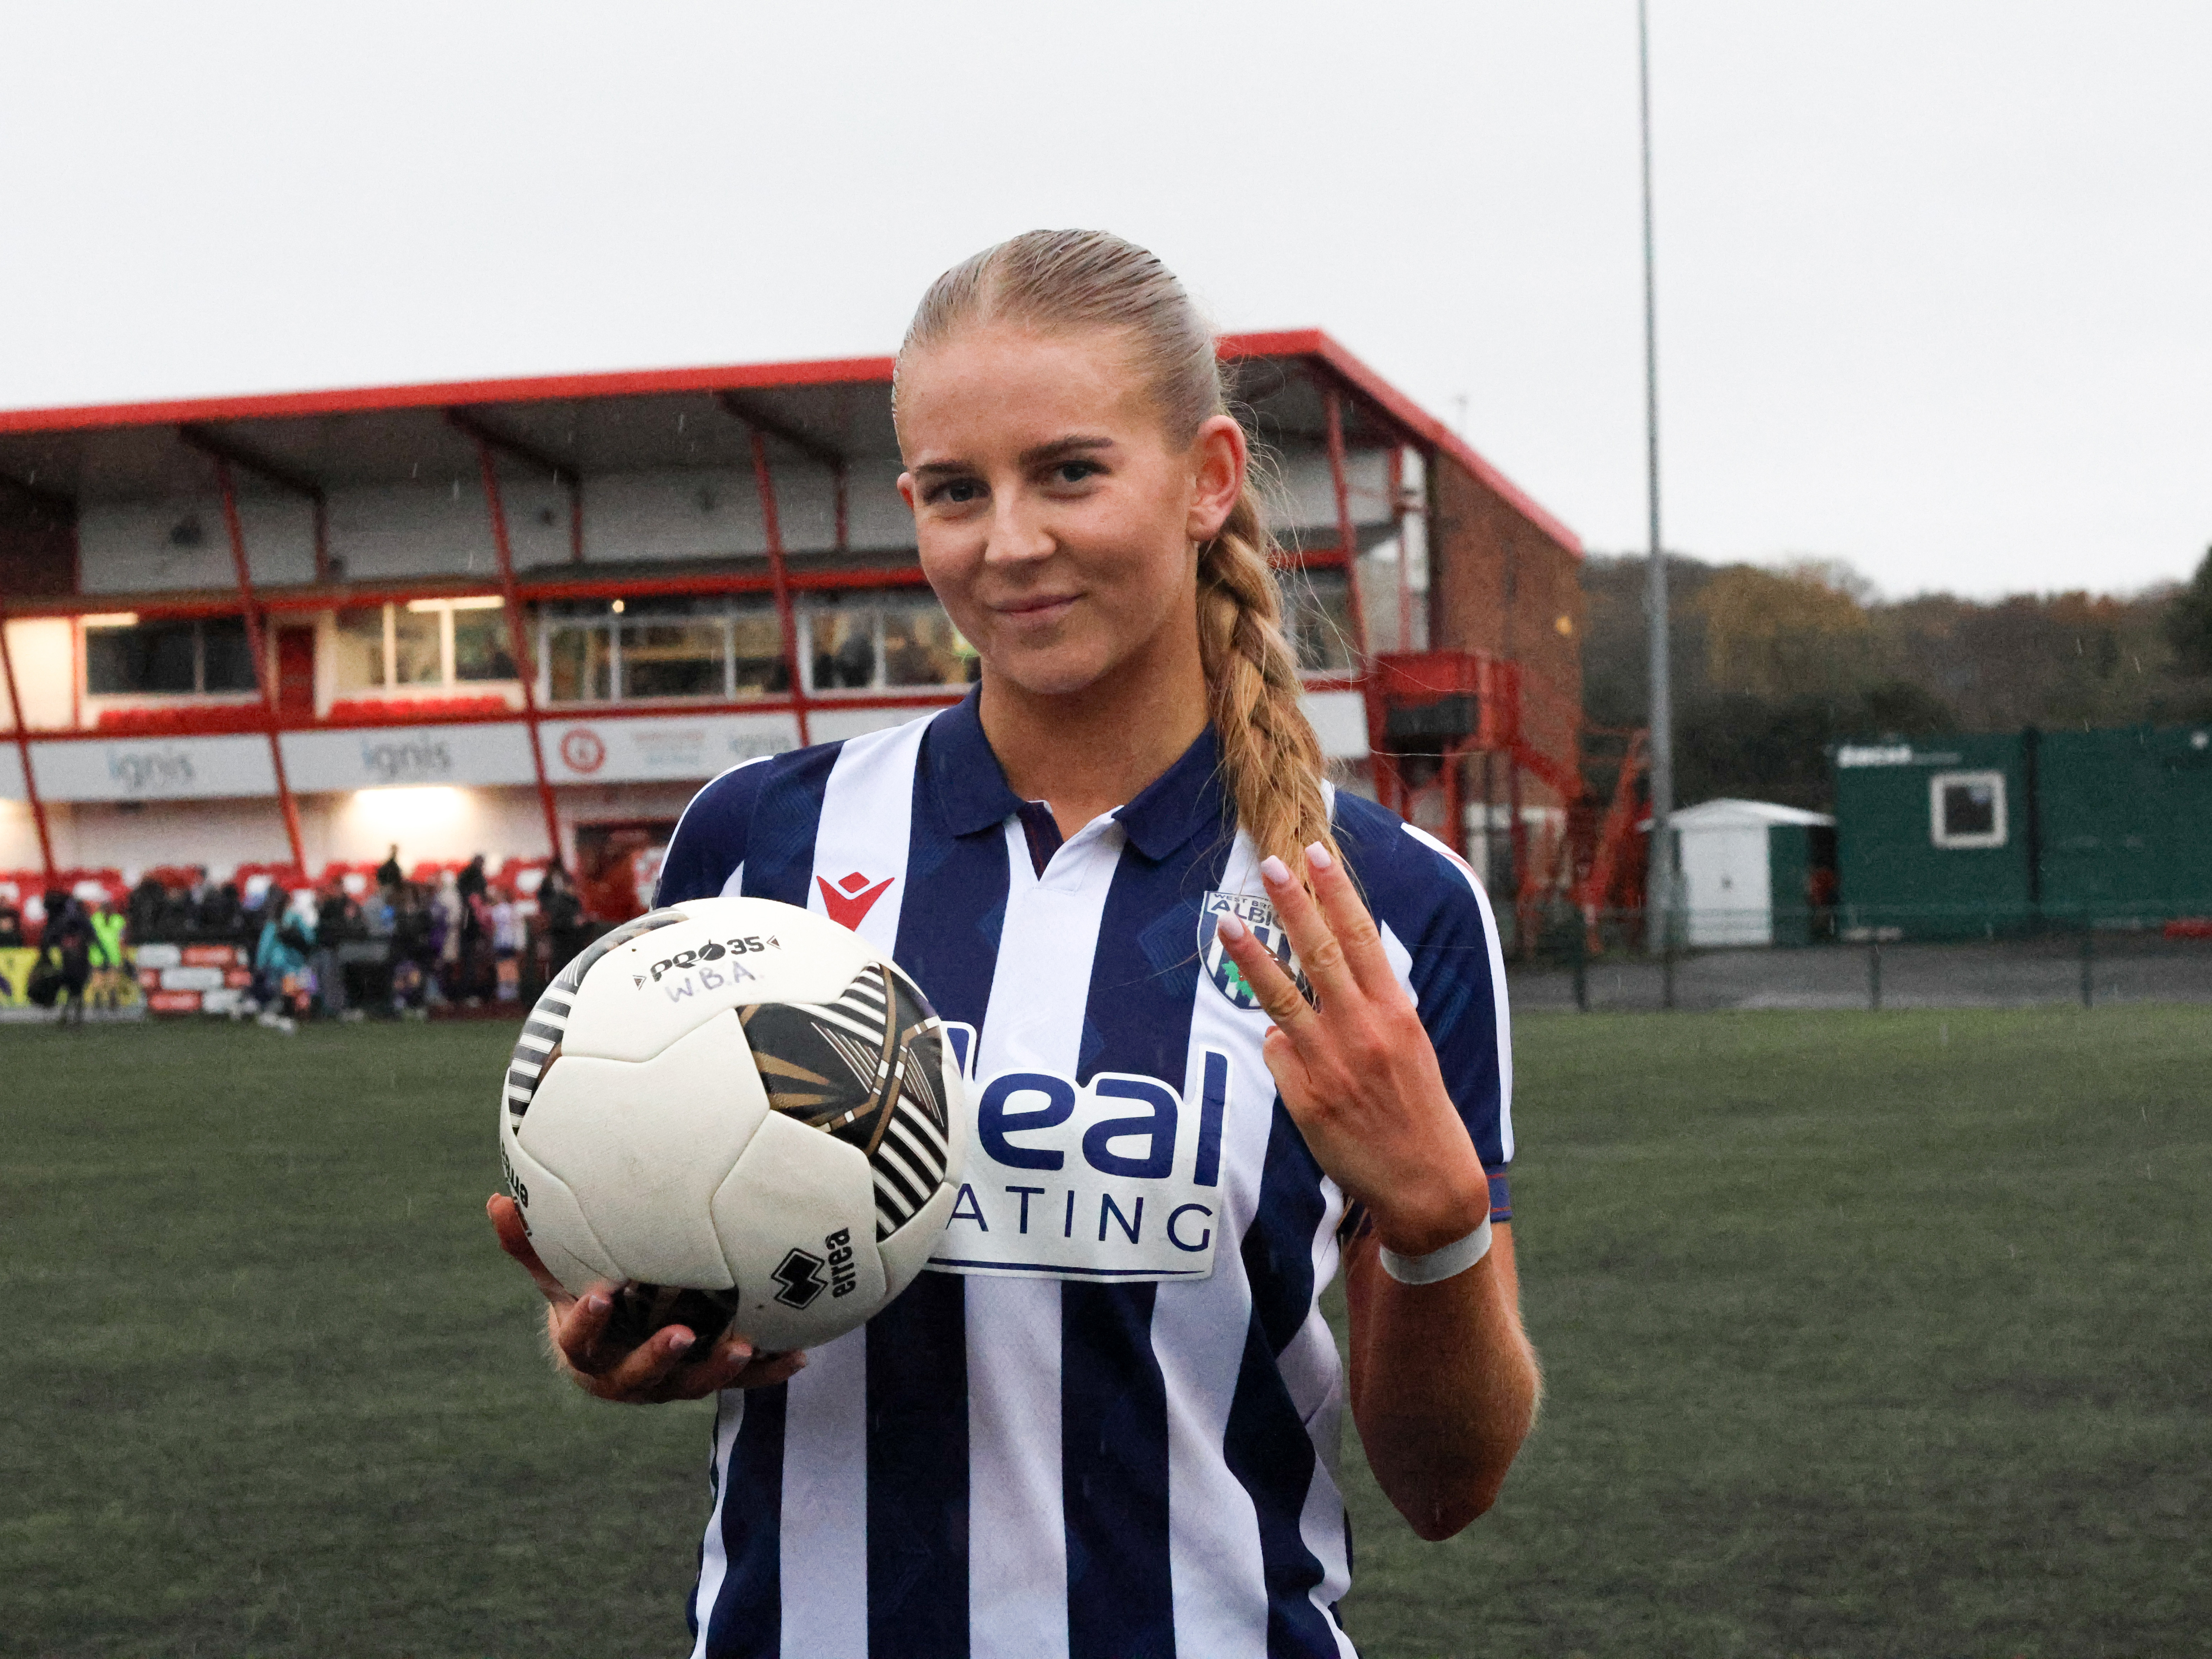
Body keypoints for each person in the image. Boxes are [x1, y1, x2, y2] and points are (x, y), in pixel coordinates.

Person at [489, 231, 1539, 1657]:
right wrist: (633, 1324)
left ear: (1207, 478)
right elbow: (695, 1262)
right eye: (953, 490)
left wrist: (1435, 1217)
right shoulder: (759, 844)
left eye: (1068, 471)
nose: (1008, 542)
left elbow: (1444, 1483)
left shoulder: (1383, 905)